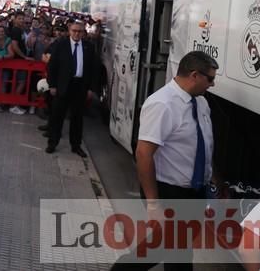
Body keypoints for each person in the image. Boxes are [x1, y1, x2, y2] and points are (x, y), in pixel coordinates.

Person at [111, 51, 218, 270]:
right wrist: (153, 204)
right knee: (166, 249)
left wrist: (215, 178)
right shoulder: (162, 104)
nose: (213, 84)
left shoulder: (201, 103)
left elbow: (203, 145)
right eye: (210, 78)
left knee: (177, 250)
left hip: (194, 191)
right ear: (195, 75)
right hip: (169, 191)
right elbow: (143, 153)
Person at [44, 20, 99, 157]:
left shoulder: (89, 47)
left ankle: (76, 145)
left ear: (83, 33)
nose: (76, 33)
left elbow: (94, 69)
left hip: (80, 86)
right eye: (74, 30)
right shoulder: (61, 44)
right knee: (58, 116)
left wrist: (91, 88)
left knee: (77, 118)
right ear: (69, 31)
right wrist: (52, 85)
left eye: (79, 31)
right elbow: (52, 66)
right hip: (62, 86)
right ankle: (53, 143)